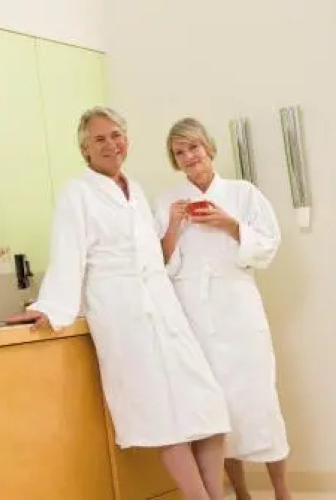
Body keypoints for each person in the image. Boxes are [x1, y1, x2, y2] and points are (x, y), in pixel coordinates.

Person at [8, 107, 230, 500]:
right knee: (163, 419)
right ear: (85, 149)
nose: (110, 144)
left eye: (116, 135)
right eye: (99, 139)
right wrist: (52, 306)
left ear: (126, 139)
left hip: (163, 308)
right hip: (122, 313)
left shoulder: (136, 191)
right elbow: (68, 253)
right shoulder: (77, 192)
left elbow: (151, 253)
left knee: (209, 409)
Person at [155, 117, 290, 500]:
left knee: (260, 400)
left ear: (208, 147)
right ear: (175, 160)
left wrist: (231, 225)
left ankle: (282, 492)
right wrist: (173, 226)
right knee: (216, 410)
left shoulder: (244, 194)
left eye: (194, 147)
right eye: (180, 152)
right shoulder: (167, 201)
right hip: (194, 316)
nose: (189, 156)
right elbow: (158, 261)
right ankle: (241, 493)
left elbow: (268, 245)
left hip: (238, 308)